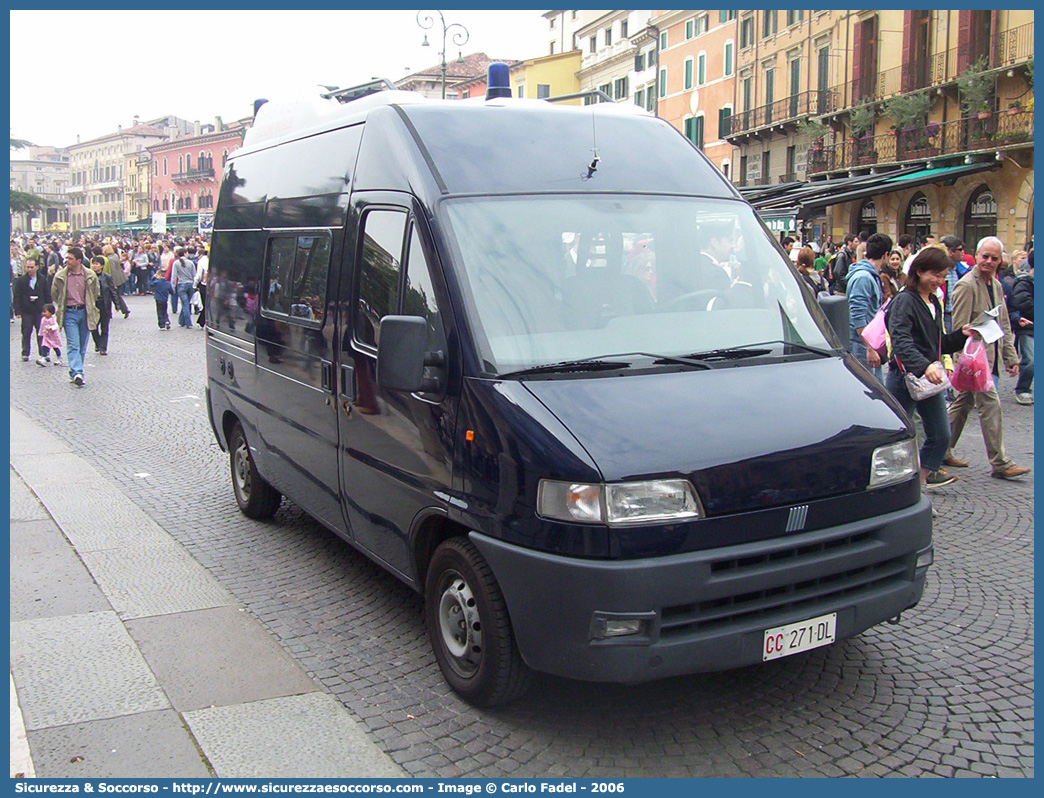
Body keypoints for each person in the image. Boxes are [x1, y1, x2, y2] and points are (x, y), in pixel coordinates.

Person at [886, 247, 974, 488]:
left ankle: (919, 487)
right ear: (920, 271)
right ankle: (894, 489)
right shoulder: (905, 300)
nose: (939, 281)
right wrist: (925, 367)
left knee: (940, 435)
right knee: (898, 437)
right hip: (905, 377)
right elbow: (901, 341)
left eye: (943, 276)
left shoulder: (933, 300)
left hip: (928, 378)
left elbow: (936, 343)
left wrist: (961, 335)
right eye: (936, 275)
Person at [943, 236, 1030, 480]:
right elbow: (960, 328)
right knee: (991, 405)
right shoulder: (966, 285)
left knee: (962, 405)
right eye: (985, 257)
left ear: (1000, 259)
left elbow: (1003, 322)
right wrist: (963, 364)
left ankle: (941, 448)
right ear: (977, 254)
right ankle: (1000, 462)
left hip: (989, 356)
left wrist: (1010, 356)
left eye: (994, 258)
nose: (989, 262)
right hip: (974, 360)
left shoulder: (997, 284)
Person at [49, 246, 100, 387]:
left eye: (70, 258)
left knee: (82, 345)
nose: (67, 261)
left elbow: (95, 292)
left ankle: (76, 371)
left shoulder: (89, 275)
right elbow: (54, 293)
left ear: (79, 260)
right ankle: (78, 372)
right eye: (66, 258)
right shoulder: (60, 276)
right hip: (69, 312)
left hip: (85, 311)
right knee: (73, 344)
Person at [846, 232, 892, 380]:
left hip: (866, 343)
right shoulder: (863, 277)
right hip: (861, 344)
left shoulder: (869, 275)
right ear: (886, 255)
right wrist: (869, 348)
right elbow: (857, 316)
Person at [12, 257, 51, 363]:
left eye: (31, 267)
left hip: (40, 310)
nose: (29, 269)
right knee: (26, 332)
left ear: (37, 267)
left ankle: (44, 352)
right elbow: (17, 296)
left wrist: (49, 310)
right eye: (27, 267)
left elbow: (47, 295)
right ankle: (25, 353)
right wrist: (18, 311)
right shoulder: (21, 280)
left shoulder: (42, 279)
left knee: (42, 332)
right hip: (26, 310)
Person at [1009, 248, 1033, 404]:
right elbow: (1024, 304)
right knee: (1031, 360)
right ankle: (1022, 389)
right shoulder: (1024, 282)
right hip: (1029, 328)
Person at [89, 255, 117, 355]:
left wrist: (116, 304)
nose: (94, 266)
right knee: (93, 327)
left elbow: (112, 291)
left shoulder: (107, 277)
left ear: (102, 266)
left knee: (105, 328)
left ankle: (103, 347)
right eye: (93, 264)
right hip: (93, 306)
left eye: (97, 264)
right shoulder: (89, 277)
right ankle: (98, 343)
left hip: (104, 305)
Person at [171, 247, 198, 328]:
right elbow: (194, 275)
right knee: (186, 304)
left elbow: (174, 276)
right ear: (185, 253)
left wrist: (172, 286)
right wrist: (195, 285)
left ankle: (188, 322)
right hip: (190, 284)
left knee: (185, 304)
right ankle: (181, 321)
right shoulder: (191, 263)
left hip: (181, 284)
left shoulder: (176, 263)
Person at [150, 266, 173, 330]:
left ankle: (162, 325)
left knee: (159, 312)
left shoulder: (157, 282)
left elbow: (150, 284)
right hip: (165, 299)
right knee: (165, 311)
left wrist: (153, 277)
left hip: (158, 298)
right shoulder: (167, 283)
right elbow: (172, 291)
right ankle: (167, 321)